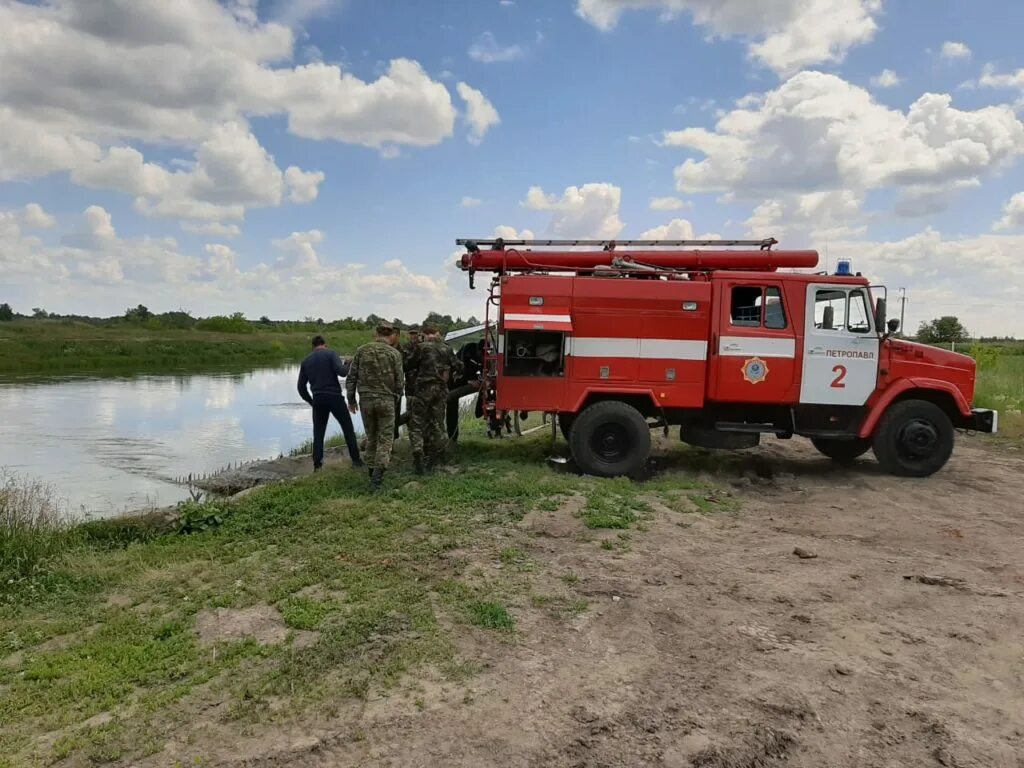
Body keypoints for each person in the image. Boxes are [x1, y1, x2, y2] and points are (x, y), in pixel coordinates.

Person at [346, 325, 404, 490]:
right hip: (386, 400)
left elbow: (352, 377)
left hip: (366, 400)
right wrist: (397, 397)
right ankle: (377, 477)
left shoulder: (362, 350)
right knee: (386, 439)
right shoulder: (394, 353)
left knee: (371, 437)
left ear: (376, 334)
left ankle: (371, 471)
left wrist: (351, 399)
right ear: (391, 335)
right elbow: (400, 381)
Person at [297, 335, 362, 472]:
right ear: (324, 344)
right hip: (334, 397)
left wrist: (311, 401)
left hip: (318, 399)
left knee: (319, 432)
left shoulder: (306, 361)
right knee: (347, 428)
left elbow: (301, 388)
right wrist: (348, 363)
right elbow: (343, 373)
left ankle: (317, 466)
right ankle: (356, 461)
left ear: (313, 346)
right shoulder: (331, 354)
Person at [407, 326, 462, 474]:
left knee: (417, 423)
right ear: (436, 334)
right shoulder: (446, 348)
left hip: (423, 390)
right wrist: (452, 372)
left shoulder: (421, 348)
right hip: (440, 390)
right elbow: (459, 366)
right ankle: (437, 457)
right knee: (438, 424)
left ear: (424, 335)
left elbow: (408, 365)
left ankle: (418, 454)